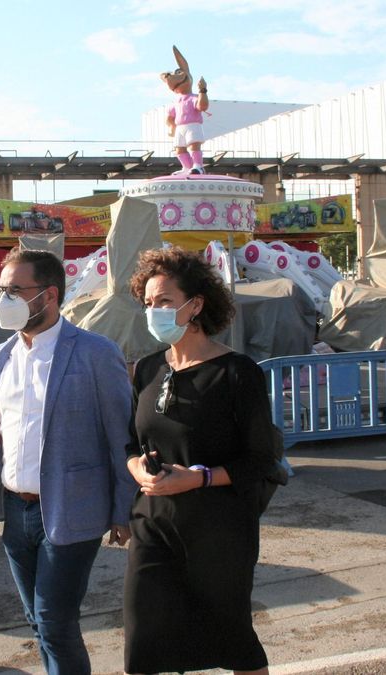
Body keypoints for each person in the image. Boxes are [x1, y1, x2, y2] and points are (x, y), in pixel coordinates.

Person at [0, 249, 135, 675]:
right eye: (0, 290)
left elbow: (120, 437)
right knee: (38, 621)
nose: (2, 300)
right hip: (17, 512)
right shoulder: (0, 358)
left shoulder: (94, 354)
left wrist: (124, 509)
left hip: (71, 510)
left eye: (14, 290)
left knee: (54, 622)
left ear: (49, 296)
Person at [123, 247, 277, 675]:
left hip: (219, 530)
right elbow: (128, 444)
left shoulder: (237, 373)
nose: (154, 311)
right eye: (149, 303)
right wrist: (137, 470)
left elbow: (261, 460)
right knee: (143, 643)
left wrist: (198, 479)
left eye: (165, 302)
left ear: (197, 305)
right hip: (153, 523)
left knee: (233, 638)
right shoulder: (149, 369)